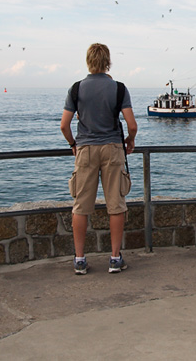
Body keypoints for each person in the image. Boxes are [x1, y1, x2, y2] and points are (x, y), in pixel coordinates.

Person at [60, 43, 138, 274]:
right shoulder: (119, 88)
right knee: (115, 204)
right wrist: (129, 141)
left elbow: (64, 125)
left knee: (81, 206)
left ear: (88, 62)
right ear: (107, 62)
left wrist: (73, 144)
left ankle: (80, 259)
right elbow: (132, 125)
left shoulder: (76, 89)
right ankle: (115, 258)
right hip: (113, 148)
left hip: (85, 148)